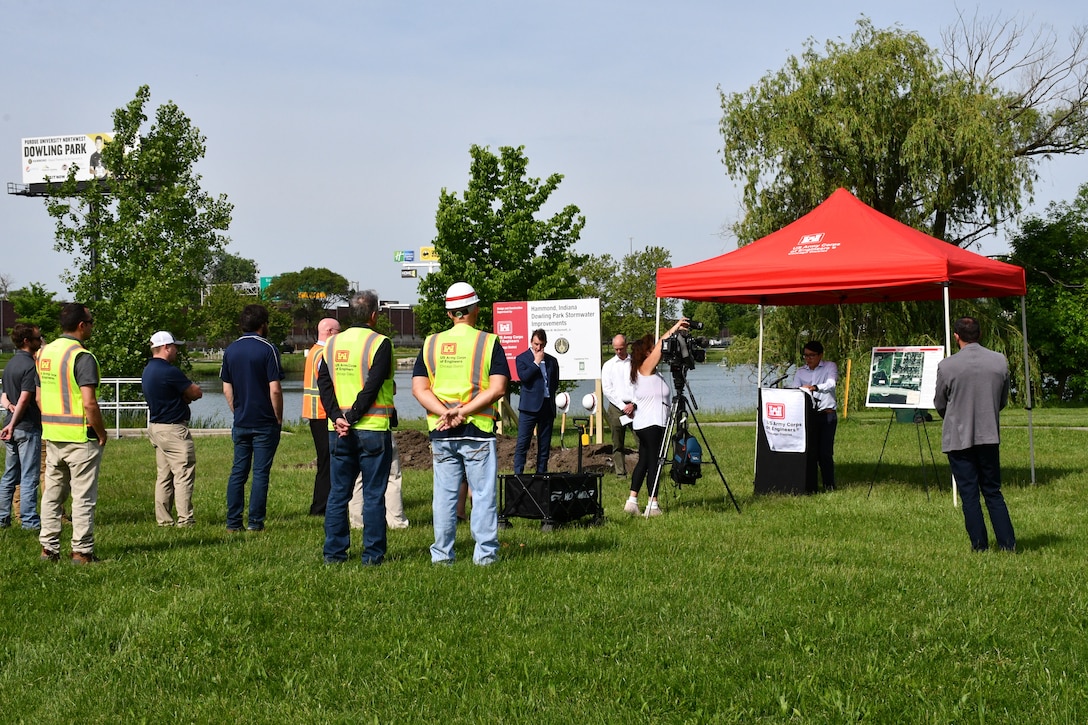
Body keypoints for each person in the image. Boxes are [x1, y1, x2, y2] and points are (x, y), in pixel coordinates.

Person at [412, 281, 509, 565]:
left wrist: (446, 413)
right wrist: (463, 412)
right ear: (475, 310)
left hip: (441, 432)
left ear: (449, 313)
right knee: (482, 496)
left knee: (443, 497)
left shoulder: (431, 343)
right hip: (477, 430)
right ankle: (485, 557)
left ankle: (442, 556)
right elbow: (498, 388)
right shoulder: (488, 342)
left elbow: (419, 389)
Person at [317, 290, 394, 565]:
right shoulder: (380, 343)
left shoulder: (331, 345)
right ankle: (372, 555)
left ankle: (334, 554)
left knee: (339, 492)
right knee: (373, 494)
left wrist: (337, 416)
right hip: (372, 427)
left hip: (337, 430)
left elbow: (323, 385)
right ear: (374, 315)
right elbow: (373, 386)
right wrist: (353, 417)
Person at [934, 316, 1015, 552]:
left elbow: (940, 402)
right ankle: (1007, 544)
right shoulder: (999, 361)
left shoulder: (947, 366)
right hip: (988, 435)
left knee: (969, 493)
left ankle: (979, 545)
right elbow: (1002, 400)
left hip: (958, 437)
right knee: (993, 490)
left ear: (956, 336)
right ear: (980, 334)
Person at [37, 303, 108, 563]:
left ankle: (48, 548)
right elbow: (89, 402)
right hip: (80, 437)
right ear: (82, 325)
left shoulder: (45, 354)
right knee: (83, 497)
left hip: (52, 434)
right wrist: (100, 432)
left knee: (51, 495)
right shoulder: (82, 356)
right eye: (91, 322)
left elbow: (40, 396)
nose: (91, 326)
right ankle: (82, 551)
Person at [220, 304, 284, 533]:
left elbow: (227, 387)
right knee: (260, 473)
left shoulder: (230, 350)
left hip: (242, 421)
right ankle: (255, 522)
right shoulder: (268, 349)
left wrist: (236, 411)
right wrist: (278, 417)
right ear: (263, 324)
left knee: (238, 471)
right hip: (265, 421)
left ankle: (233, 522)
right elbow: (274, 389)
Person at [624, 319, 689, 517]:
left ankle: (632, 501)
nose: (657, 351)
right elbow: (662, 343)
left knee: (644, 461)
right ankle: (652, 504)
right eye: (651, 349)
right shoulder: (646, 369)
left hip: (647, 424)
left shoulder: (647, 373)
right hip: (652, 424)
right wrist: (676, 327)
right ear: (646, 353)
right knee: (655, 463)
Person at [141, 331, 203, 527]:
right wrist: (187, 396)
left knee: (164, 476)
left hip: (156, 427)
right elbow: (195, 392)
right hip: (174, 430)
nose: (176, 350)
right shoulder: (169, 371)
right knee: (183, 473)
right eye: (174, 346)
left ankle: (164, 519)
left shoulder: (148, 370)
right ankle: (185, 519)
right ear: (166, 347)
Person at [1, 323, 44, 530]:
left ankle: (2, 518)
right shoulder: (29, 366)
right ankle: (29, 521)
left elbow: (4, 397)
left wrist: (9, 413)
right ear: (27, 341)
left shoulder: (10, 365)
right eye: (38, 338)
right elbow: (26, 398)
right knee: (29, 475)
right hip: (25, 427)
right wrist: (15, 422)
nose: (40, 341)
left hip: (9, 425)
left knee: (10, 474)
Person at [303, 317, 341, 516]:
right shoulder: (325, 353)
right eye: (338, 332)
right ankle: (320, 507)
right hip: (323, 413)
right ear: (330, 332)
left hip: (314, 412)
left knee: (325, 460)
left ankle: (322, 504)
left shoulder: (313, 351)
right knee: (327, 461)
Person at [793, 341, 839, 492]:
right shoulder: (800, 372)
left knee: (825, 452)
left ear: (820, 355)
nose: (808, 359)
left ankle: (829, 485)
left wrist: (815, 387)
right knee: (810, 452)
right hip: (808, 417)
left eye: (812, 355)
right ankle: (809, 485)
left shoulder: (829, 366)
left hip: (827, 415)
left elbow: (831, 384)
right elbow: (794, 390)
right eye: (805, 355)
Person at [513, 328, 559, 475]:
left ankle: (541, 474)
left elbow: (554, 383)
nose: (538, 348)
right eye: (536, 344)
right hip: (529, 408)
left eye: (541, 345)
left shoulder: (552, 360)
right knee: (523, 443)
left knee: (544, 445)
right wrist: (536, 363)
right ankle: (518, 475)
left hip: (547, 406)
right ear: (531, 342)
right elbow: (524, 377)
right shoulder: (522, 358)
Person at [601, 333, 635, 476]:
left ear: (626, 346)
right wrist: (623, 406)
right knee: (617, 443)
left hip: (635, 407)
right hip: (616, 408)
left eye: (621, 348)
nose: (619, 351)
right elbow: (607, 389)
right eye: (616, 349)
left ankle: (644, 470)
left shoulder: (635, 362)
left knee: (642, 439)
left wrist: (633, 404)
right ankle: (620, 472)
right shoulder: (608, 365)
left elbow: (641, 385)